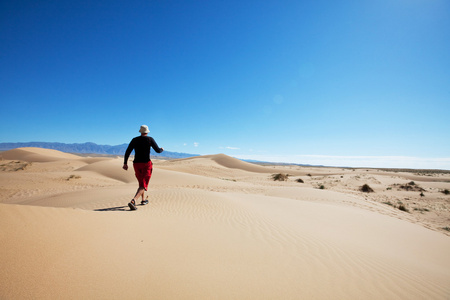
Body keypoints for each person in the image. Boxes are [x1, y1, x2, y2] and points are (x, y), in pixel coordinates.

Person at [123, 125, 164, 210]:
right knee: (144, 184)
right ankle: (133, 201)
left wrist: (125, 163)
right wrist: (162, 149)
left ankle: (143, 200)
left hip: (136, 164)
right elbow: (158, 151)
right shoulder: (150, 139)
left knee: (141, 183)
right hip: (146, 164)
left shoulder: (134, 140)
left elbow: (127, 151)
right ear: (147, 132)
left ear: (140, 132)